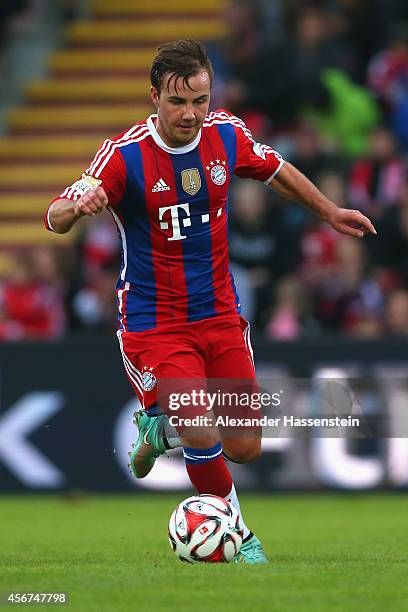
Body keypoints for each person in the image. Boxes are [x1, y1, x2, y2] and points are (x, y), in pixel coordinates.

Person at [45, 39, 376, 564]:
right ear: (154, 96)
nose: (191, 113)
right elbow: (55, 215)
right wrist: (79, 205)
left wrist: (329, 210)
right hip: (155, 324)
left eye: (200, 100)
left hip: (219, 315)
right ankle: (241, 538)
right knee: (200, 425)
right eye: (178, 101)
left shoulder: (225, 134)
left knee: (244, 446)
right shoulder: (124, 155)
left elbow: (277, 170)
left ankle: (158, 425)